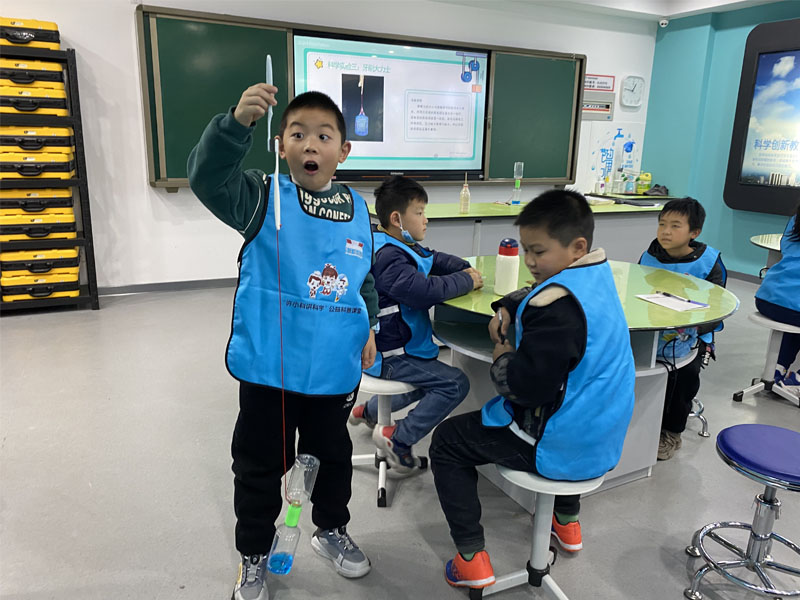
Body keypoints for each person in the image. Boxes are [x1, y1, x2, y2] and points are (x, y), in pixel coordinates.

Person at [187, 84, 380, 600]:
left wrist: (369, 326)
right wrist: (235, 125)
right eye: (298, 134)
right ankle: (254, 554)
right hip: (269, 368)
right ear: (281, 145)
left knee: (332, 457)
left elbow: (363, 278)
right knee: (259, 464)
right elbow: (207, 178)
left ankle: (330, 529)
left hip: (332, 368)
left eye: (323, 135)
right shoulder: (260, 196)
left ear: (344, 150)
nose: (310, 144)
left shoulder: (358, 209)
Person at [429, 190, 635, 592]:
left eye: (538, 251)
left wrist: (503, 356)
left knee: (448, 442)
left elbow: (524, 390)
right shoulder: (597, 276)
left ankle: (470, 558)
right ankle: (567, 522)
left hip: (558, 443)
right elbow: (546, 290)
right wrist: (509, 305)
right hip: (602, 436)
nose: (529, 261)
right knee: (575, 400)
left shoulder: (553, 307)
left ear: (577, 247)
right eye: (525, 249)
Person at [349, 175, 483, 471]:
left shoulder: (398, 243)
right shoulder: (388, 257)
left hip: (398, 346)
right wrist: (465, 282)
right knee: (454, 383)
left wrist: (465, 269)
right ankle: (398, 438)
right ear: (397, 219)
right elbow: (422, 292)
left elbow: (432, 258)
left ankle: (368, 412)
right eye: (419, 212)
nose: (426, 219)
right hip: (390, 354)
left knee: (427, 381)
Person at [639, 198, 726, 460]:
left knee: (684, 375)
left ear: (694, 232)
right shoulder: (649, 257)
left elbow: (719, 307)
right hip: (652, 330)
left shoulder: (709, 262)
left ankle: (671, 431)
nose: (665, 231)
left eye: (675, 226)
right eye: (662, 224)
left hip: (693, 335)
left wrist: (694, 327)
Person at [754, 203, 800, 400]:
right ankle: (796, 381)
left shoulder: (795, 219)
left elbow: (785, 247)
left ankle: (777, 369)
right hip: (794, 306)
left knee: (793, 317)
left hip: (768, 297)